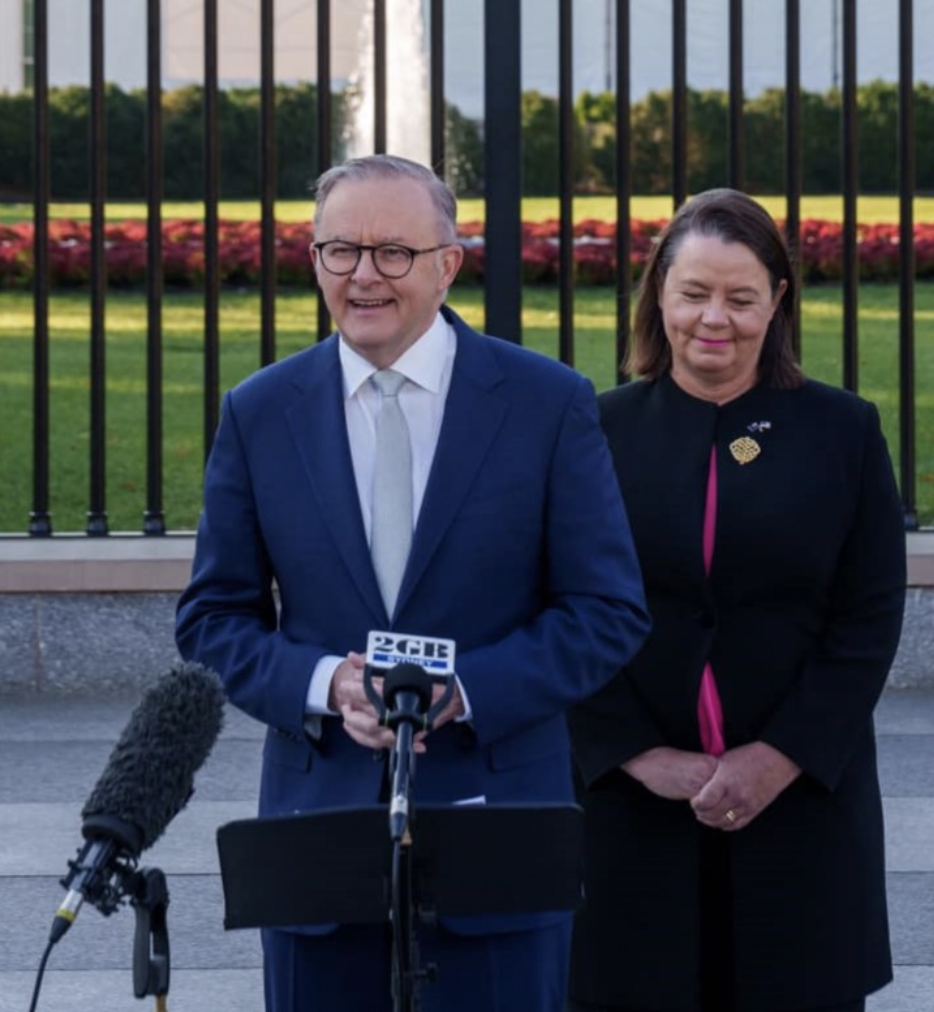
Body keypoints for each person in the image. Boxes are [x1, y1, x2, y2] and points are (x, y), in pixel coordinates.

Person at [174, 153, 649, 1012]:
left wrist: (467, 691)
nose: (364, 275)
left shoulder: (547, 404)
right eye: (340, 250)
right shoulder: (260, 411)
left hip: (498, 837)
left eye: (393, 252)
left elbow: (606, 610)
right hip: (318, 845)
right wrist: (329, 684)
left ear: (447, 264)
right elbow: (214, 618)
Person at [566, 189, 907, 1012]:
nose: (714, 318)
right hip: (629, 812)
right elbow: (560, 605)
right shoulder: (592, 431)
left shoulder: (844, 432)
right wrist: (638, 754)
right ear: (659, 294)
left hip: (801, 809)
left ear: (778, 300)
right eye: (693, 293)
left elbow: (867, 620)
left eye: (741, 297)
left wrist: (777, 757)